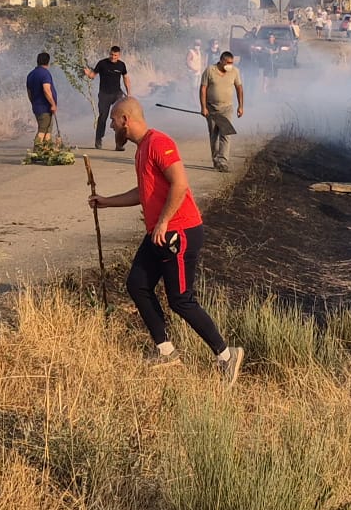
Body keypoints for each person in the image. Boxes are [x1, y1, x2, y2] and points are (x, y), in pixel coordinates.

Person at [90, 98, 244, 382]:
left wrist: (162, 221)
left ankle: (226, 355)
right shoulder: (141, 149)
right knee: (137, 284)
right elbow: (144, 192)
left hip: (180, 232)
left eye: (113, 120)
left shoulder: (159, 142)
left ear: (126, 119)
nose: (110, 124)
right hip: (159, 233)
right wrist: (106, 202)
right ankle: (165, 351)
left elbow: (180, 183)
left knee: (181, 300)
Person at [198, 50, 244, 171]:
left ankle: (223, 162)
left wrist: (240, 106)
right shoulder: (210, 70)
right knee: (214, 135)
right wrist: (203, 107)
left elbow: (239, 88)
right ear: (222, 60)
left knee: (226, 135)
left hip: (227, 108)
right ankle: (216, 160)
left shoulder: (234, 71)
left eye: (232, 63)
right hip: (211, 108)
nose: (230, 65)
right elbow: (203, 89)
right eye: (228, 62)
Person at [84, 45, 131, 150]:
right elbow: (93, 75)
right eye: (111, 54)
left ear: (119, 55)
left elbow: (126, 78)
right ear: (109, 53)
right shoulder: (102, 63)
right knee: (103, 117)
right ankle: (98, 140)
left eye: (115, 55)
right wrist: (88, 74)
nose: (113, 57)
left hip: (117, 94)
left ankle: (119, 144)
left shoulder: (121, 65)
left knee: (119, 120)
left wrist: (129, 93)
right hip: (104, 94)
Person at [26, 51, 58, 141]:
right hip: (45, 107)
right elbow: (46, 90)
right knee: (42, 130)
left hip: (37, 106)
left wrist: (33, 103)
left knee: (48, 131)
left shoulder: (31, 74)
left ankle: (47, 151)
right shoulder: (45, 73)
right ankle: (36, 150)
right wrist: (53, 104)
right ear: (48, 62)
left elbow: (29, 92)